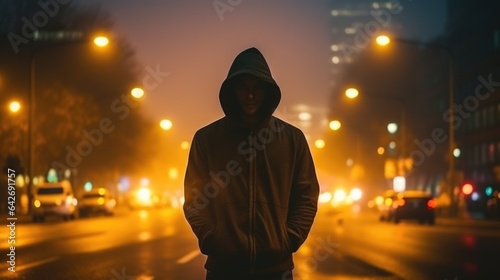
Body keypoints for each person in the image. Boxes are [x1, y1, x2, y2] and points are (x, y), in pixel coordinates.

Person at [183, 47, 320, 280]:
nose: (250, 95)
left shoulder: (291, 139)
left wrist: (289, 238)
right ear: (232, 90)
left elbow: (306, 195)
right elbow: (194, 198)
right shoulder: (207, 139)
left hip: (276, 270)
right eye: (243, 87)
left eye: (257, 87)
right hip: (223, 270)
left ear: (267, 91)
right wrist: (210, 237)